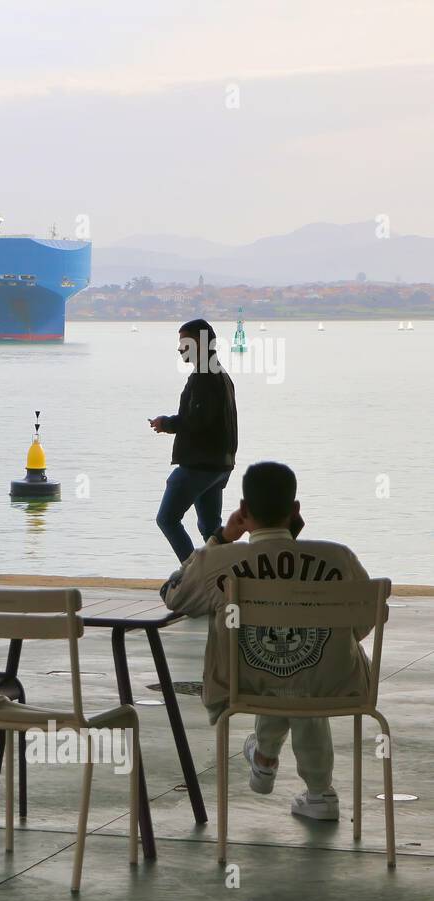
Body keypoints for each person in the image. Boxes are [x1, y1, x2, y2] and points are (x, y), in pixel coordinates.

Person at [161, 461, 373, 821]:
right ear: (295, 511)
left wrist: (221, 538)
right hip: (334, 684)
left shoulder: (218, 561)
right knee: (307, 671)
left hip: (242, 684)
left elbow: (172, 594)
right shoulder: (339, 558)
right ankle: (315, 787)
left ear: (243, 511)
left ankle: (265, 754)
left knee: (277, 675)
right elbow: (363, 624)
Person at [150, 318, 238, 562]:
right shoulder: (220, 374)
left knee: (167, 519)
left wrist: (166, 423)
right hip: (220, 465)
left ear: (199, 342)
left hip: (200, 465)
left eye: (184, 342)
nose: (180, 349)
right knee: (211, 528)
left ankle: (194, 573)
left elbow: (197, 421)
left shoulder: (204, 377)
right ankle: (227, 575)